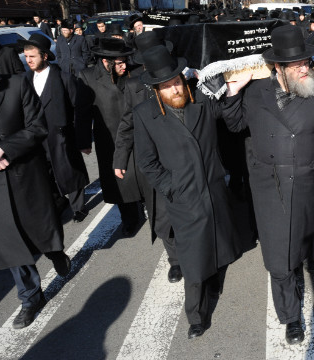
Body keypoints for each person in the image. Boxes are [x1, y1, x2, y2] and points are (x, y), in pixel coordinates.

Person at [223, 25, 314, 345]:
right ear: (277, 67)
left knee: (302, 236)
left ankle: (303, 255)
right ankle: (291, 316)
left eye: (306, 62)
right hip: (267, 184)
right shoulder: (255, 91)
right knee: (278, 258)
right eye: (296, 65)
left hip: (305, 181)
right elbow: (234, 124)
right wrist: (234, 90)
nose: (304, 68)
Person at [133, 45, 243, 339]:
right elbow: (146, 160)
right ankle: (196, 315)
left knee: (220, 245)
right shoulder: (145, 114)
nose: (175, 89)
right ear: (157, 90)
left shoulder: (202, 101)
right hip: (183, 199)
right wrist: (171, 188)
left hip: (215, 191)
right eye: (167, 86)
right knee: (193, 261)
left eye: (177, 82)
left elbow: (230, 117)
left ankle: (216, 280)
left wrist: (231, 89)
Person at [0, 53, 71, 330]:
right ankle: (30, 298)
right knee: (10, 244)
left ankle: (56, 252)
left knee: (41, 230)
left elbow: (37, 127)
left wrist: (2, 149)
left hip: (26, 176)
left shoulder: (16, 84)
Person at [113, 32, 180, 282]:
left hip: (181, 155)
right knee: (162, 215)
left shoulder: (180, 78)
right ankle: (175, 261)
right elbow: (127, 123)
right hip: (153, 160)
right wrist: (120, 158)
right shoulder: (133, 86)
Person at [19, 34, 90, 222]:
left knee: (70, 171)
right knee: (45, 173)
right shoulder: (25, 79)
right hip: (37, 137)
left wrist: (81, 138)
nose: (28, 61)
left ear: (44, 56)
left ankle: (78, 206)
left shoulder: (63, 78)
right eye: (26, 57)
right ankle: (58, 202)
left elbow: (79, 109)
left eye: (32, 56)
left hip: (61, 135)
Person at [76, 38, 142, 236]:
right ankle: (129, 218)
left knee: (141, 174)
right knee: (118, 183)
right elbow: (82, 111)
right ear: (106, 62)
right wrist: (84, 141)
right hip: (109, 139)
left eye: (125, 61)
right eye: (119, 63)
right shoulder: (87, 77)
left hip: (137, 134)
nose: (124, 66)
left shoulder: (134, 71)